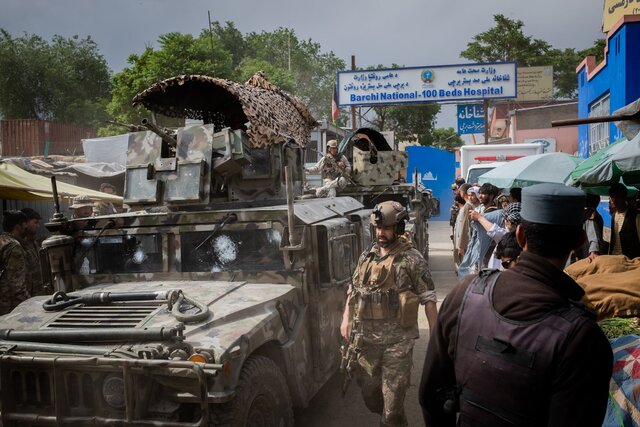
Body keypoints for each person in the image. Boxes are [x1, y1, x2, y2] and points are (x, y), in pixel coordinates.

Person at [419, 183, 613, 427]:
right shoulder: (584, 338)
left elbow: (430, 396)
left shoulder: (465, 293)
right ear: (579, 241)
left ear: (520, 236)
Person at [340, 200, 437, 426]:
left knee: (392, 408)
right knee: (371, 396)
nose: (380, 233)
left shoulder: (412, 259)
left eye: (386, 228)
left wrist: (435, 337)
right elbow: (353, 290)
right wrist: (345, 319)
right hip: (366, 341)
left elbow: (429, 300)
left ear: (399, 228)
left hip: (398, 343)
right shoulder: (368, 257)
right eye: (377, 228)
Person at [0, 210, 30, 315]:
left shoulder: (2, 241)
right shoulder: (14, 247)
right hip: (9, 308)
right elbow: (17, 286)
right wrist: (30, 307)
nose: (27, 227)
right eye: (25, 224)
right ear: (18, 227)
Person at [608, 183, 640, 258]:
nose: (614, 199)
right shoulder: (613, 216)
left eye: (617, 196)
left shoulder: (635, 216)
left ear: (624, 197)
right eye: (612, 196)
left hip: (630, 262)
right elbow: (613, 239)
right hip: (614, 257)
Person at [19, 208, 46, 296]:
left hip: (40, 294)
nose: (38, 226)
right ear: (25, 223)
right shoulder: (19, 246)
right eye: (35, 222)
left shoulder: (34, 243)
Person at [574, 193, 606, 263]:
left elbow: (593, 234)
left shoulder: (590, 216)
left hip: (589, 256)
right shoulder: (597, 216)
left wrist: (593, 251)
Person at [452, 184, 472, 268]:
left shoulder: (467, 206)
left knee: (464, 266)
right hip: (462, 243)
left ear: (463, 193)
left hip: (464, 244)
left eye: (460, 191)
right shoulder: (466, 206)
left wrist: (461, 245)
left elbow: (464, 227)